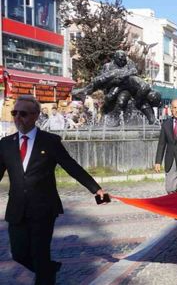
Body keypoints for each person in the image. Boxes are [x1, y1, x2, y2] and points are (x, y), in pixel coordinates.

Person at [0, 95, 109, 284]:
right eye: (14, 113)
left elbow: (71, 166)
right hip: (16, 208)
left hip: (43, 208)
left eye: (23, 113)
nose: (18, 117)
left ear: (35, 116)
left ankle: (45, 273)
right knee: (18, 254)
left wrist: (96, 189)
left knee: (40, 255)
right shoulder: (5, 144)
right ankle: (49, 270)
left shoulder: (50, 141)